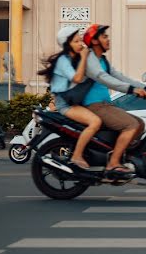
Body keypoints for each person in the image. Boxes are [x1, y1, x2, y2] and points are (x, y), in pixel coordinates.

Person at [81, 24, 146, 176]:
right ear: (94, 41)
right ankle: (113, 163)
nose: (108, 39)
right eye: (104, 36)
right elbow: (103, 78)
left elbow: (119, 76)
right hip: (94, 105)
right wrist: (131, 90)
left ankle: (122, 156)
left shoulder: (103, 60)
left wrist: (145, 87)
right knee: (131, 125)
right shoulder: (90, 59)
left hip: (105, 105)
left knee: (139, 124)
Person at [38, 26, 102, 169]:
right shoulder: (63, 61)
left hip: (75, 101)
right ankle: (76, 155)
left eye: (80, 40)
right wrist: (85, 57)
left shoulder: (74, 59)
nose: (81, 44)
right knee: (94, 122)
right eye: (76, 41)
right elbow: (77, 78)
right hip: (65, 104)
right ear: (68, 45)